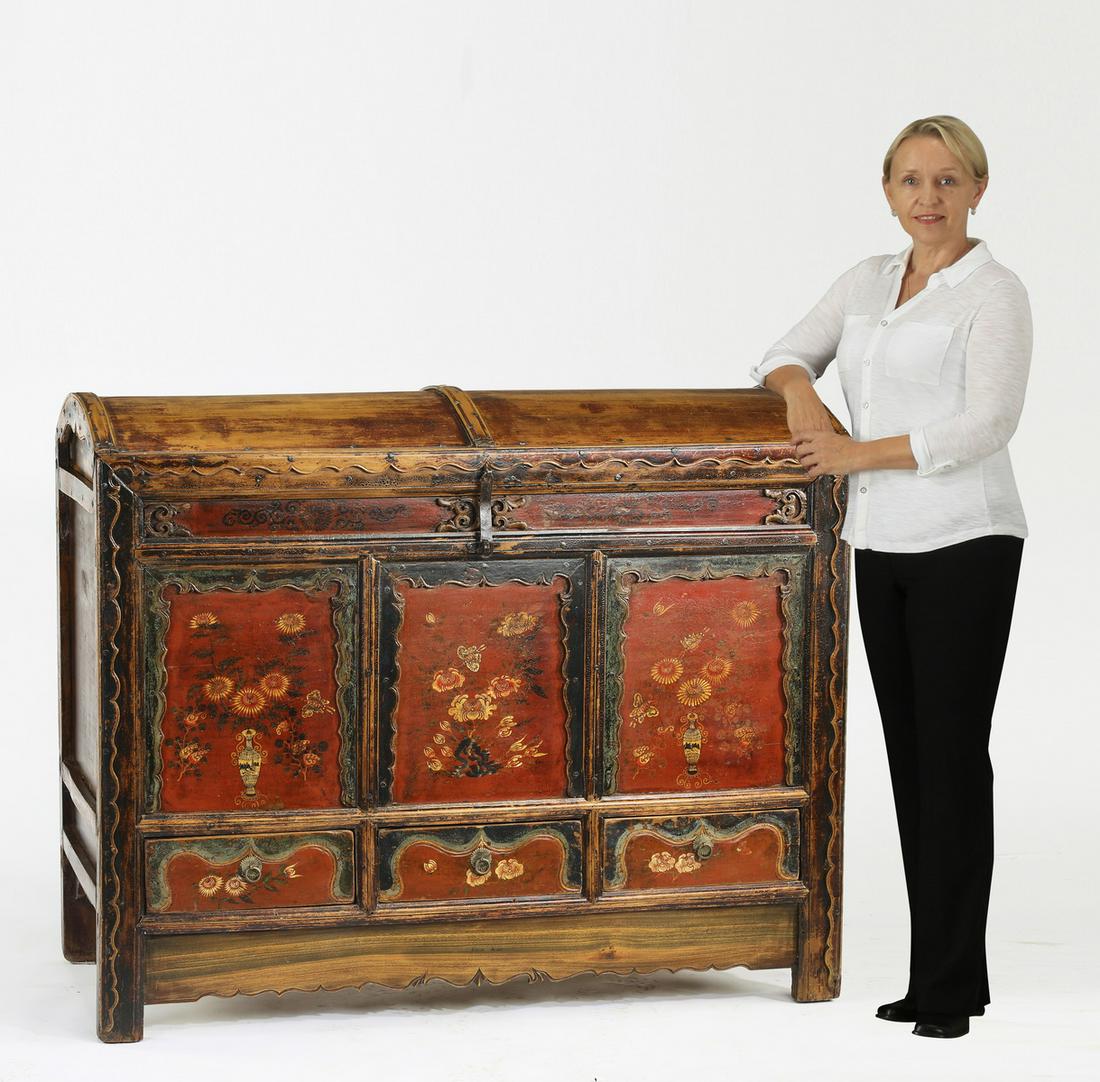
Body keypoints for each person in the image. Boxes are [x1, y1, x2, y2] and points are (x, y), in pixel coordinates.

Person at [748, 115, 1031, 1040]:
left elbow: (984, 427)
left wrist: (850, 453)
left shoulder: (995, 293)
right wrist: (800, 394)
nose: (929, 198)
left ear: (977, 190)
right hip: (879, 546)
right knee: (911, 764)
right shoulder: (868, 283)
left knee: (952, 760)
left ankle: (952, 984)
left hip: (966, 543)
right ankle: (938, 973)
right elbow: (781, 352)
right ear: (888, 191)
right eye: (911, 180)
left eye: (948, 181)